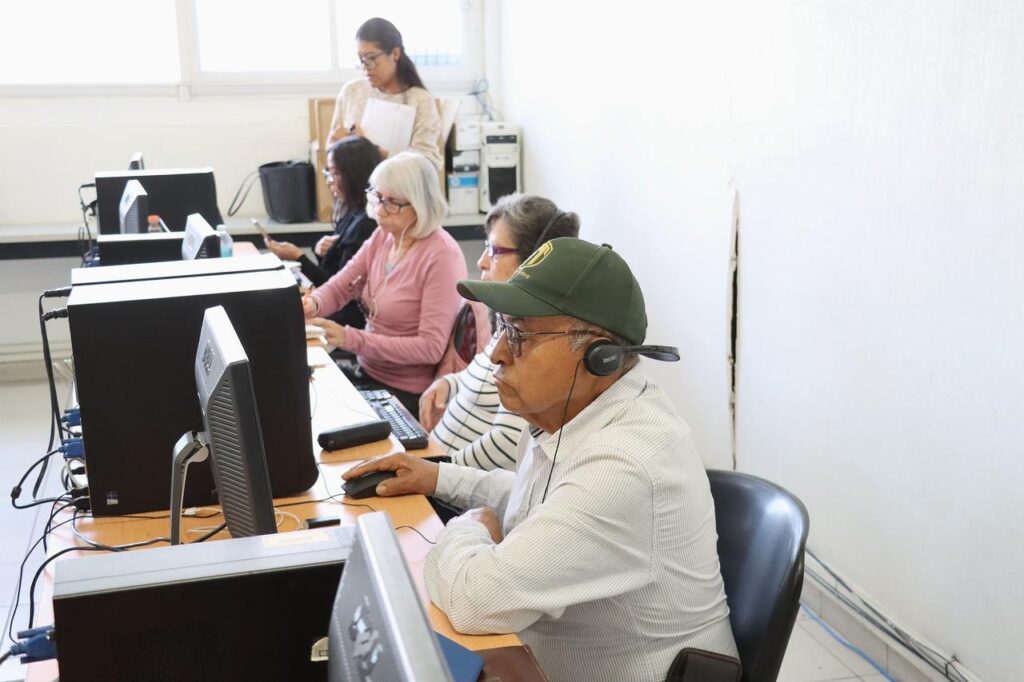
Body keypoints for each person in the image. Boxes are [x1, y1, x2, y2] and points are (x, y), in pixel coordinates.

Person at [343, 237, 738, 682]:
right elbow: (542, 504)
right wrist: (438, 478)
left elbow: (473, 599)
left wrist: (472, 525)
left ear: (600, 357)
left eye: (520, 335)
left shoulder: (625, 466)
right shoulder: (571, 413)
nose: (497, 352)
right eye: (502, 327)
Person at [419, 194, 580, 471]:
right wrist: (448, 384)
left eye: (493, 250)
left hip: (451, 485)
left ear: (533, 260)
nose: (481, 261)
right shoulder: (510, 321)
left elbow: (508, 442)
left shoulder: (533, 338)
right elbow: (483, 378)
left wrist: (436, 472)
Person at [305, 151, 465, 414]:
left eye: (392, 203)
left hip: (407, 393)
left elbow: (430, 348)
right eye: (378, 197)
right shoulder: (384, 236)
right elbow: (342, 284)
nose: (379, 210)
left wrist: (349, 338)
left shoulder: (442, 256)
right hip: (368, 371)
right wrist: (313, 303)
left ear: (420, 204)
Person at [264, 135, 381, 328]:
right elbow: (334, 274)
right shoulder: (351, 214)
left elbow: (341, 290)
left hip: (348, 318)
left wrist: (299, 258)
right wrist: (321, 252)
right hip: (335, 308)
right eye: (328, 172)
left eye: (336, 174)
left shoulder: (366, 225)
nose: (329, 181)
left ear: (354, 175)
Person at [326, 17, 443, 172]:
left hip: (397, 186)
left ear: (395, 54)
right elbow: (331, 149)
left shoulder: (420, 100)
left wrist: (369, 150)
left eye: (371, 58)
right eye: (361, 59)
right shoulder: (352, 92)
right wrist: (335, 145)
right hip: (355, 185)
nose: (365, 66)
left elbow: (427, 164)